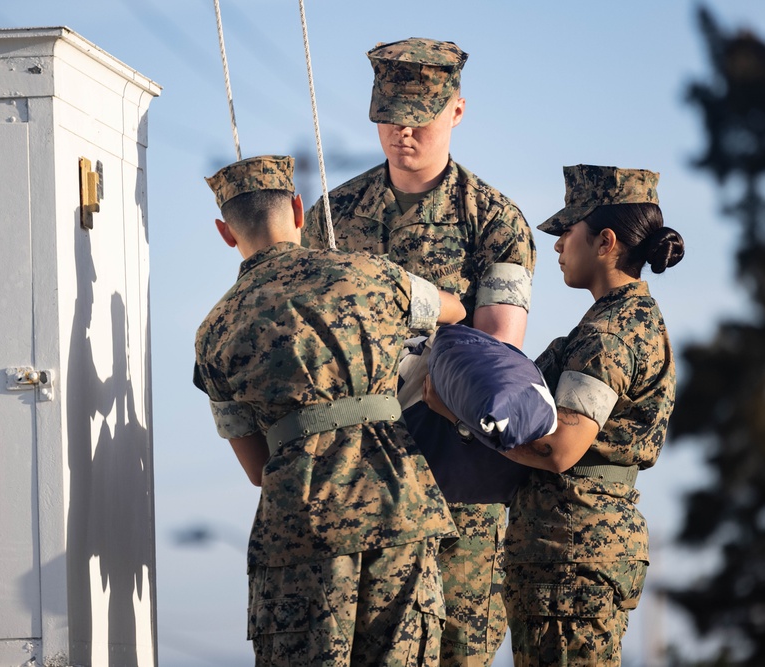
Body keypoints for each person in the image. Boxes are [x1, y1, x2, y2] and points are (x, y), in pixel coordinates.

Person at [303, 37, 535, 666]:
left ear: (456, 111)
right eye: (390, 118)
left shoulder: (492, 221)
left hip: (454, 464)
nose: (403, 133)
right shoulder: (333, 215)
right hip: (358, 468)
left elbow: (494, 350)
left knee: (459, 648)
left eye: (420, 118)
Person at [195, 154, 468, 666]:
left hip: (299, 529)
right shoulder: (372, 275)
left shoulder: (215, 332)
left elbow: (257, 468)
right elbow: (454, 309)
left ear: (225, 232)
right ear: (300, 210)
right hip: (399, 510)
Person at [425, 164, 685, 666]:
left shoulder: (612, 333)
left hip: (570, 558)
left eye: (567, 232)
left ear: (606, 241)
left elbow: (560, 447)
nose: (558, 246)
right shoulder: (619, 319)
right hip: (565, 553)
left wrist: (461, 415)